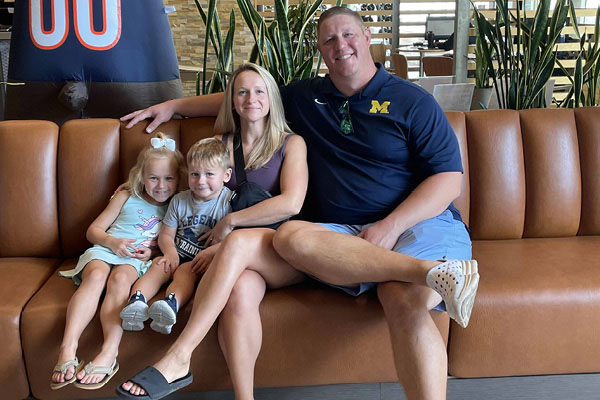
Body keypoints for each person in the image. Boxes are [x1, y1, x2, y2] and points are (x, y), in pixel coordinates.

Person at [119, 8, 479, 399]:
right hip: (337, 236)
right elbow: (245, 100)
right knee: (290, 236)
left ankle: (433, 273)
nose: (340, 46)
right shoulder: (307, 97)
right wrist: (174, 106)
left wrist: (390, 226)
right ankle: (435, 273)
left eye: (348, 35)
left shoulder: (413, 102)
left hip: (417, 225)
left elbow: (448, 179)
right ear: (321, 52)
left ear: (367, 35)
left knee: (401, 296)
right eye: (329, 40)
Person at [117, 63, 308, 400]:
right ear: (232, 100)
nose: (251, 99)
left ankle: (179, 356)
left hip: (273, 250)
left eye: (260, 91)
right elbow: (180, 183)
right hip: (233, 261)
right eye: (242, 92)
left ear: (272, 98)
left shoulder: (290, 144)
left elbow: (291, 203)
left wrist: (230, 223)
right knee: (239, 295)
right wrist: (172, 106)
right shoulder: (219, 144)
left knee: (234, 246)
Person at [50, 133, 185, 390]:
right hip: (105, 249)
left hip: (134, 260)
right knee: (97, 275)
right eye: (153, 178)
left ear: (179, 179)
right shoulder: (126, 196)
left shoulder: (176, 206)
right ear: (141, 177)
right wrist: (113, 243)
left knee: (121, 280)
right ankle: (68, 348)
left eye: (169, 178)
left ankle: (109, 352)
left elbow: (170, 245)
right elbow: (94, 230)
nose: (161, 185)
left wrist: (153, 254)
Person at [120, 138, 234, 335]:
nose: (201, 181)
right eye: (195, 174)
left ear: (226, 175)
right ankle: (137, 302)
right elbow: (166, 233)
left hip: (202, 262)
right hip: (177, 253)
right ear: (187, 174)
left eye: (209, 174)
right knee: (158, 266)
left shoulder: (229, 201)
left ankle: (170, 305)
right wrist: (170, 252)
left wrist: (213, 252)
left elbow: (235, 240)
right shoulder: (180, 200)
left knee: (184, 272)